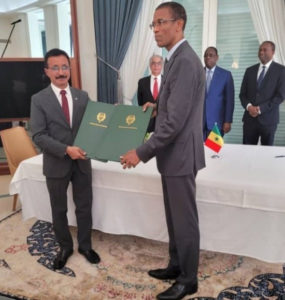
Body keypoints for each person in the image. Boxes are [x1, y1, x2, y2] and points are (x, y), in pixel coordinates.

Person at [120, 2, 205, 299]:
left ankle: (188, 279)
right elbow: (174, 107)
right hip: (173, 156)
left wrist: (140, 152)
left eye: (160, 22)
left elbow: (172, 125)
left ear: (178, 24)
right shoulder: (175, 58)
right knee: (174, 218)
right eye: (152, 24)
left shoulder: (184, 61)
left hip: (179, 155)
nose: (155, 29)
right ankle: (177, 265)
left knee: (185, 220)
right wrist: (155, 107)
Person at [30, 48, 100, 270]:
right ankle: (65, 247)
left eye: (64, 67)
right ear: (47, 71)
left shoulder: (83, 96)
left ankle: (85, 246)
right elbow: (38, 136)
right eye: (56, 68)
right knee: (58, 209)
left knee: (84, 206)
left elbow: (94, 127)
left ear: (70, 69)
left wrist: (110, 117)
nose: (61, 72)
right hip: (56, 163)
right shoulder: (38, 99)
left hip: (82, 162)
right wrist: (66, 149)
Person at [240, 41, 285, 145]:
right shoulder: (249, 70)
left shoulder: (281, 71)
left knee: (267, 155)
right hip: (249, 120)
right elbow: (242, 94)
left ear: (273, 52)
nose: (261, 52)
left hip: (269, 120)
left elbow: (280, 96)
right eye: (260, 49)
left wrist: (260, 109)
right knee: (247, 153)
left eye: (265, 50)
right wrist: (249, 106)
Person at [203, 46, 235, 140]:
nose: (208, 57)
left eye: (211, 55)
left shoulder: (225, 75)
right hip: (199, 124)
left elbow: (230, 100)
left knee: (213, 151)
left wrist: (228, 121)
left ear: (217, 58)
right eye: (206, 55)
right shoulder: (198, 73)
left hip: (217, 124)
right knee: (199, 152)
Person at [137, 55, 163, 132]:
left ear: (162, 66)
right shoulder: (142, 82)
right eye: (153, 63)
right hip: (147, 122)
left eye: (159, 63)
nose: (156, 66)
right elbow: (140, 103)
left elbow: (170, 103)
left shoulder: (168, 82)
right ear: (150, 65)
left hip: (163, 123)